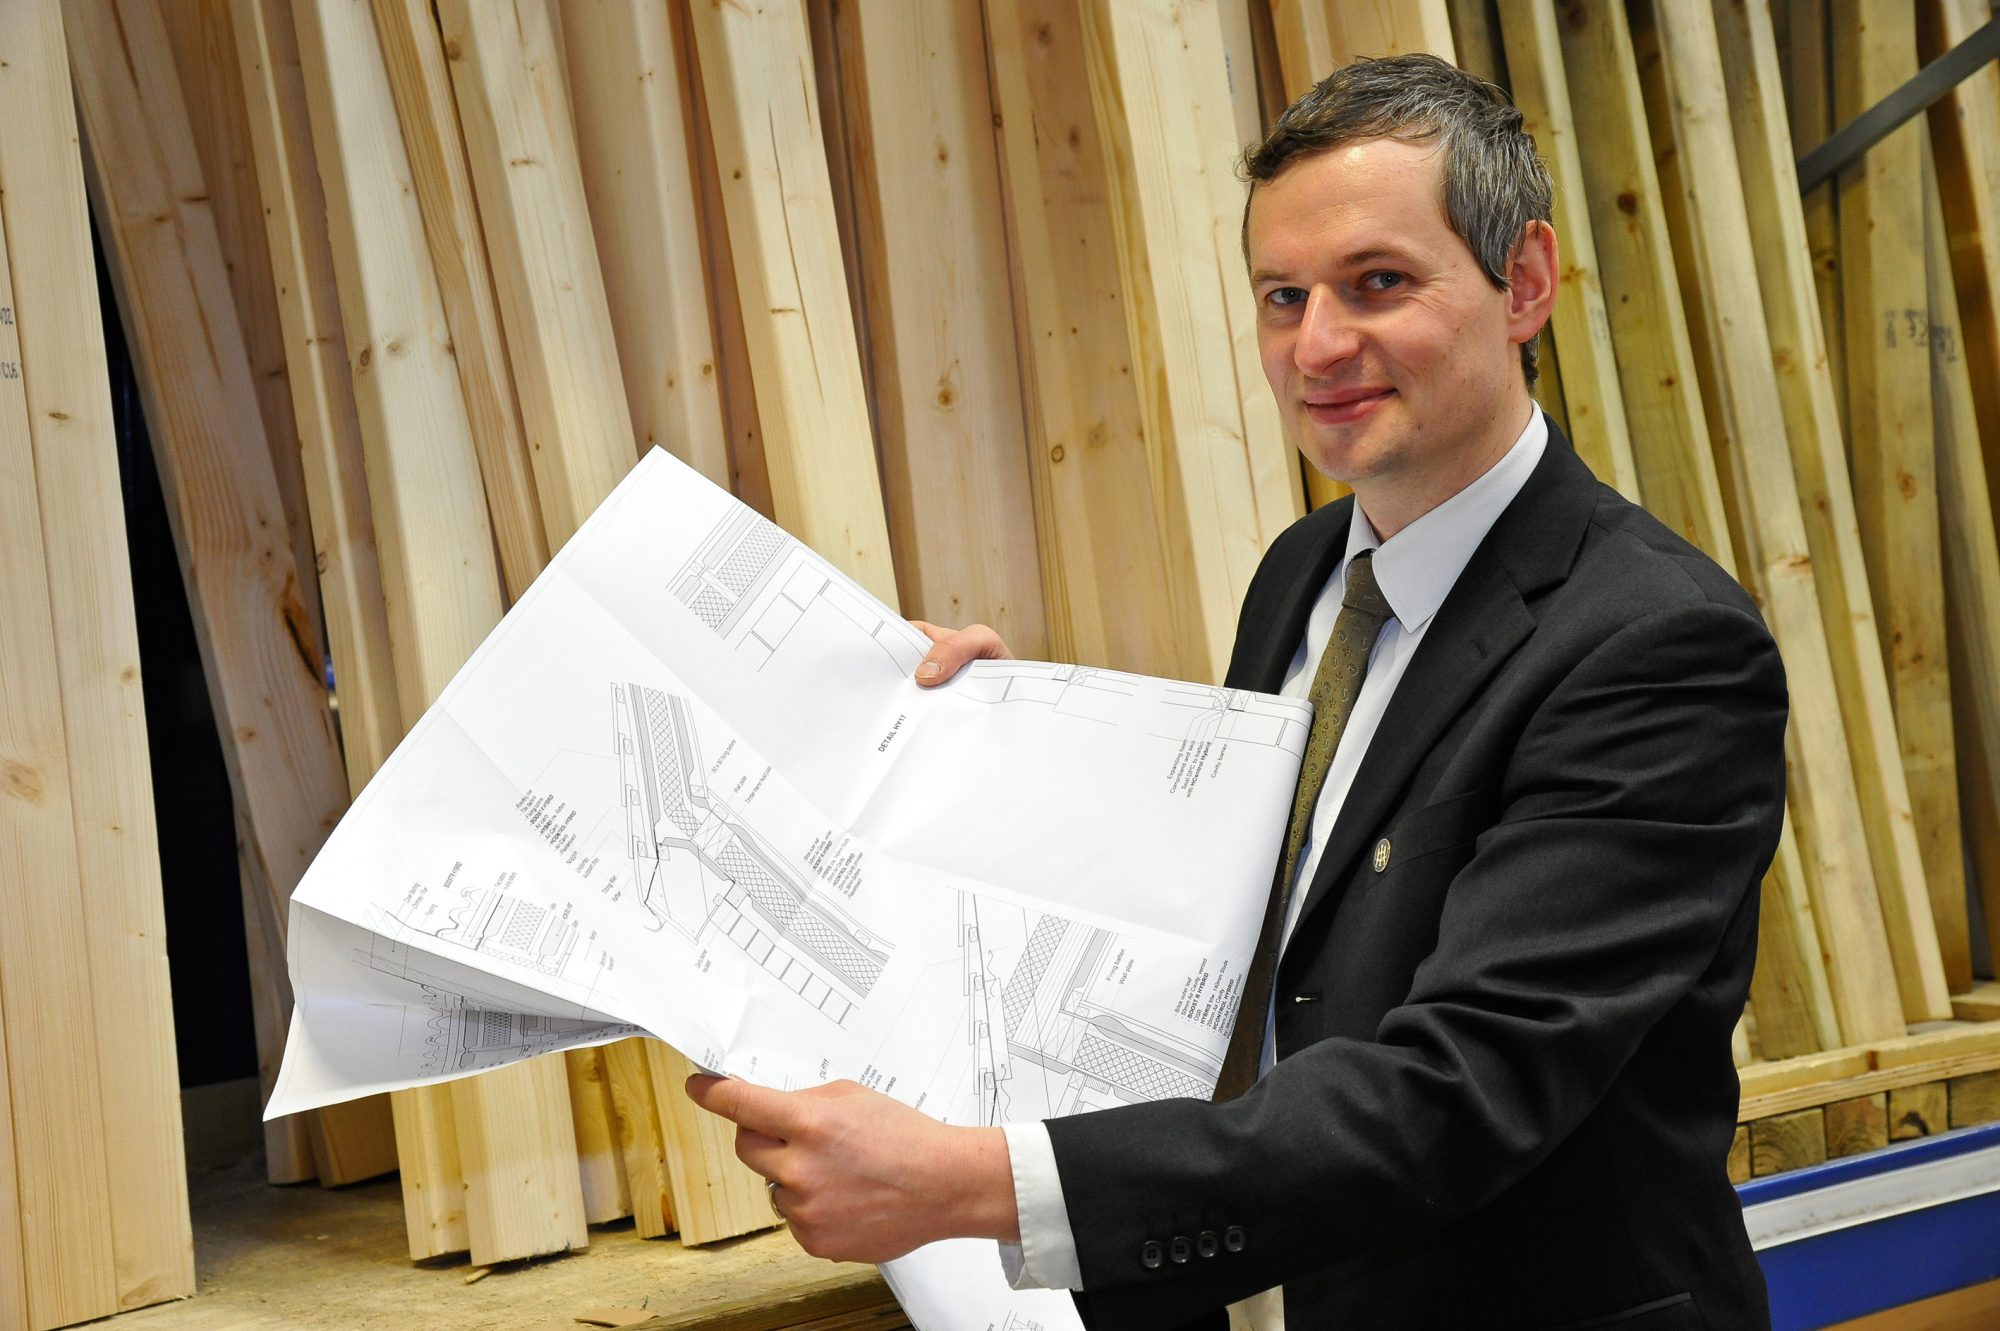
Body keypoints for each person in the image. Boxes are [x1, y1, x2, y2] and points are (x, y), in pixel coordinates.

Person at [688, 53, 1786, 1329]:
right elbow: (1257, 907)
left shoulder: (1657, 646)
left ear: (1524, 281)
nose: (1315, 346)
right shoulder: (1303, 574)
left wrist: (976, 1182)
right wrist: (988, 747)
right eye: (1281, 296)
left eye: (1376, 283)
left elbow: (1460, 1087)